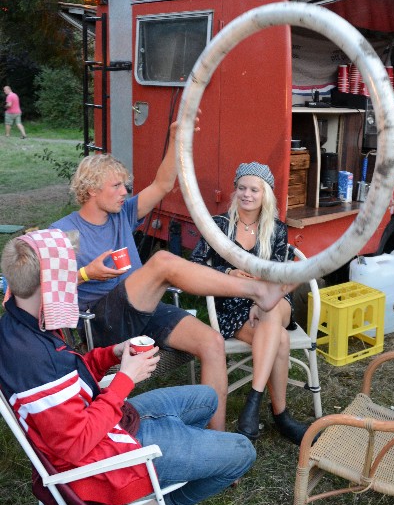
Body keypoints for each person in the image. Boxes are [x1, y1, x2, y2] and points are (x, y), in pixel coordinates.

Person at [0, 229, 257, 505]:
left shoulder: (20, 323)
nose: (72, 281)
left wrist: (112, 353)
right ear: (50, 283)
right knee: (243, 453)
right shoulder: (37, 361)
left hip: (104, 422)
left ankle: (172, 453)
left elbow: (71, 375)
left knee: (206, 399)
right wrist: (126, 378)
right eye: (69, 272)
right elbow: (77, 445)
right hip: (101, 459)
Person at [52, 123, 295, 431]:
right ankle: (258, 291)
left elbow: (164, 183)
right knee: (164, 262)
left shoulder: (122, 213)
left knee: (212, 342)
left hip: (144, 308)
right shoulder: (62, 233)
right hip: (102, 320)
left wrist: (178, 138)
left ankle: (217, 443)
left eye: (125, 185)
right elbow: (36, 287)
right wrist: (87, 273)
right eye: (117, 186)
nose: (126, 192)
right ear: (91, 190)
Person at [190, 162, 309, 446]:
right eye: (242, 188)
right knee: (278, 338)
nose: (247, 194)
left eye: (254, 189)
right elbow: (194, 265)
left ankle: (252, 401)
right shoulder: (218, 226)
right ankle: (281, 415)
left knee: (269, 308)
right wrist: (226, 273)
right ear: (235, 191)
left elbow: (281, 275)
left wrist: (262, 297)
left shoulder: (277, 229)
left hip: (275, 300)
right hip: (233, 306)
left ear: (265, 193)